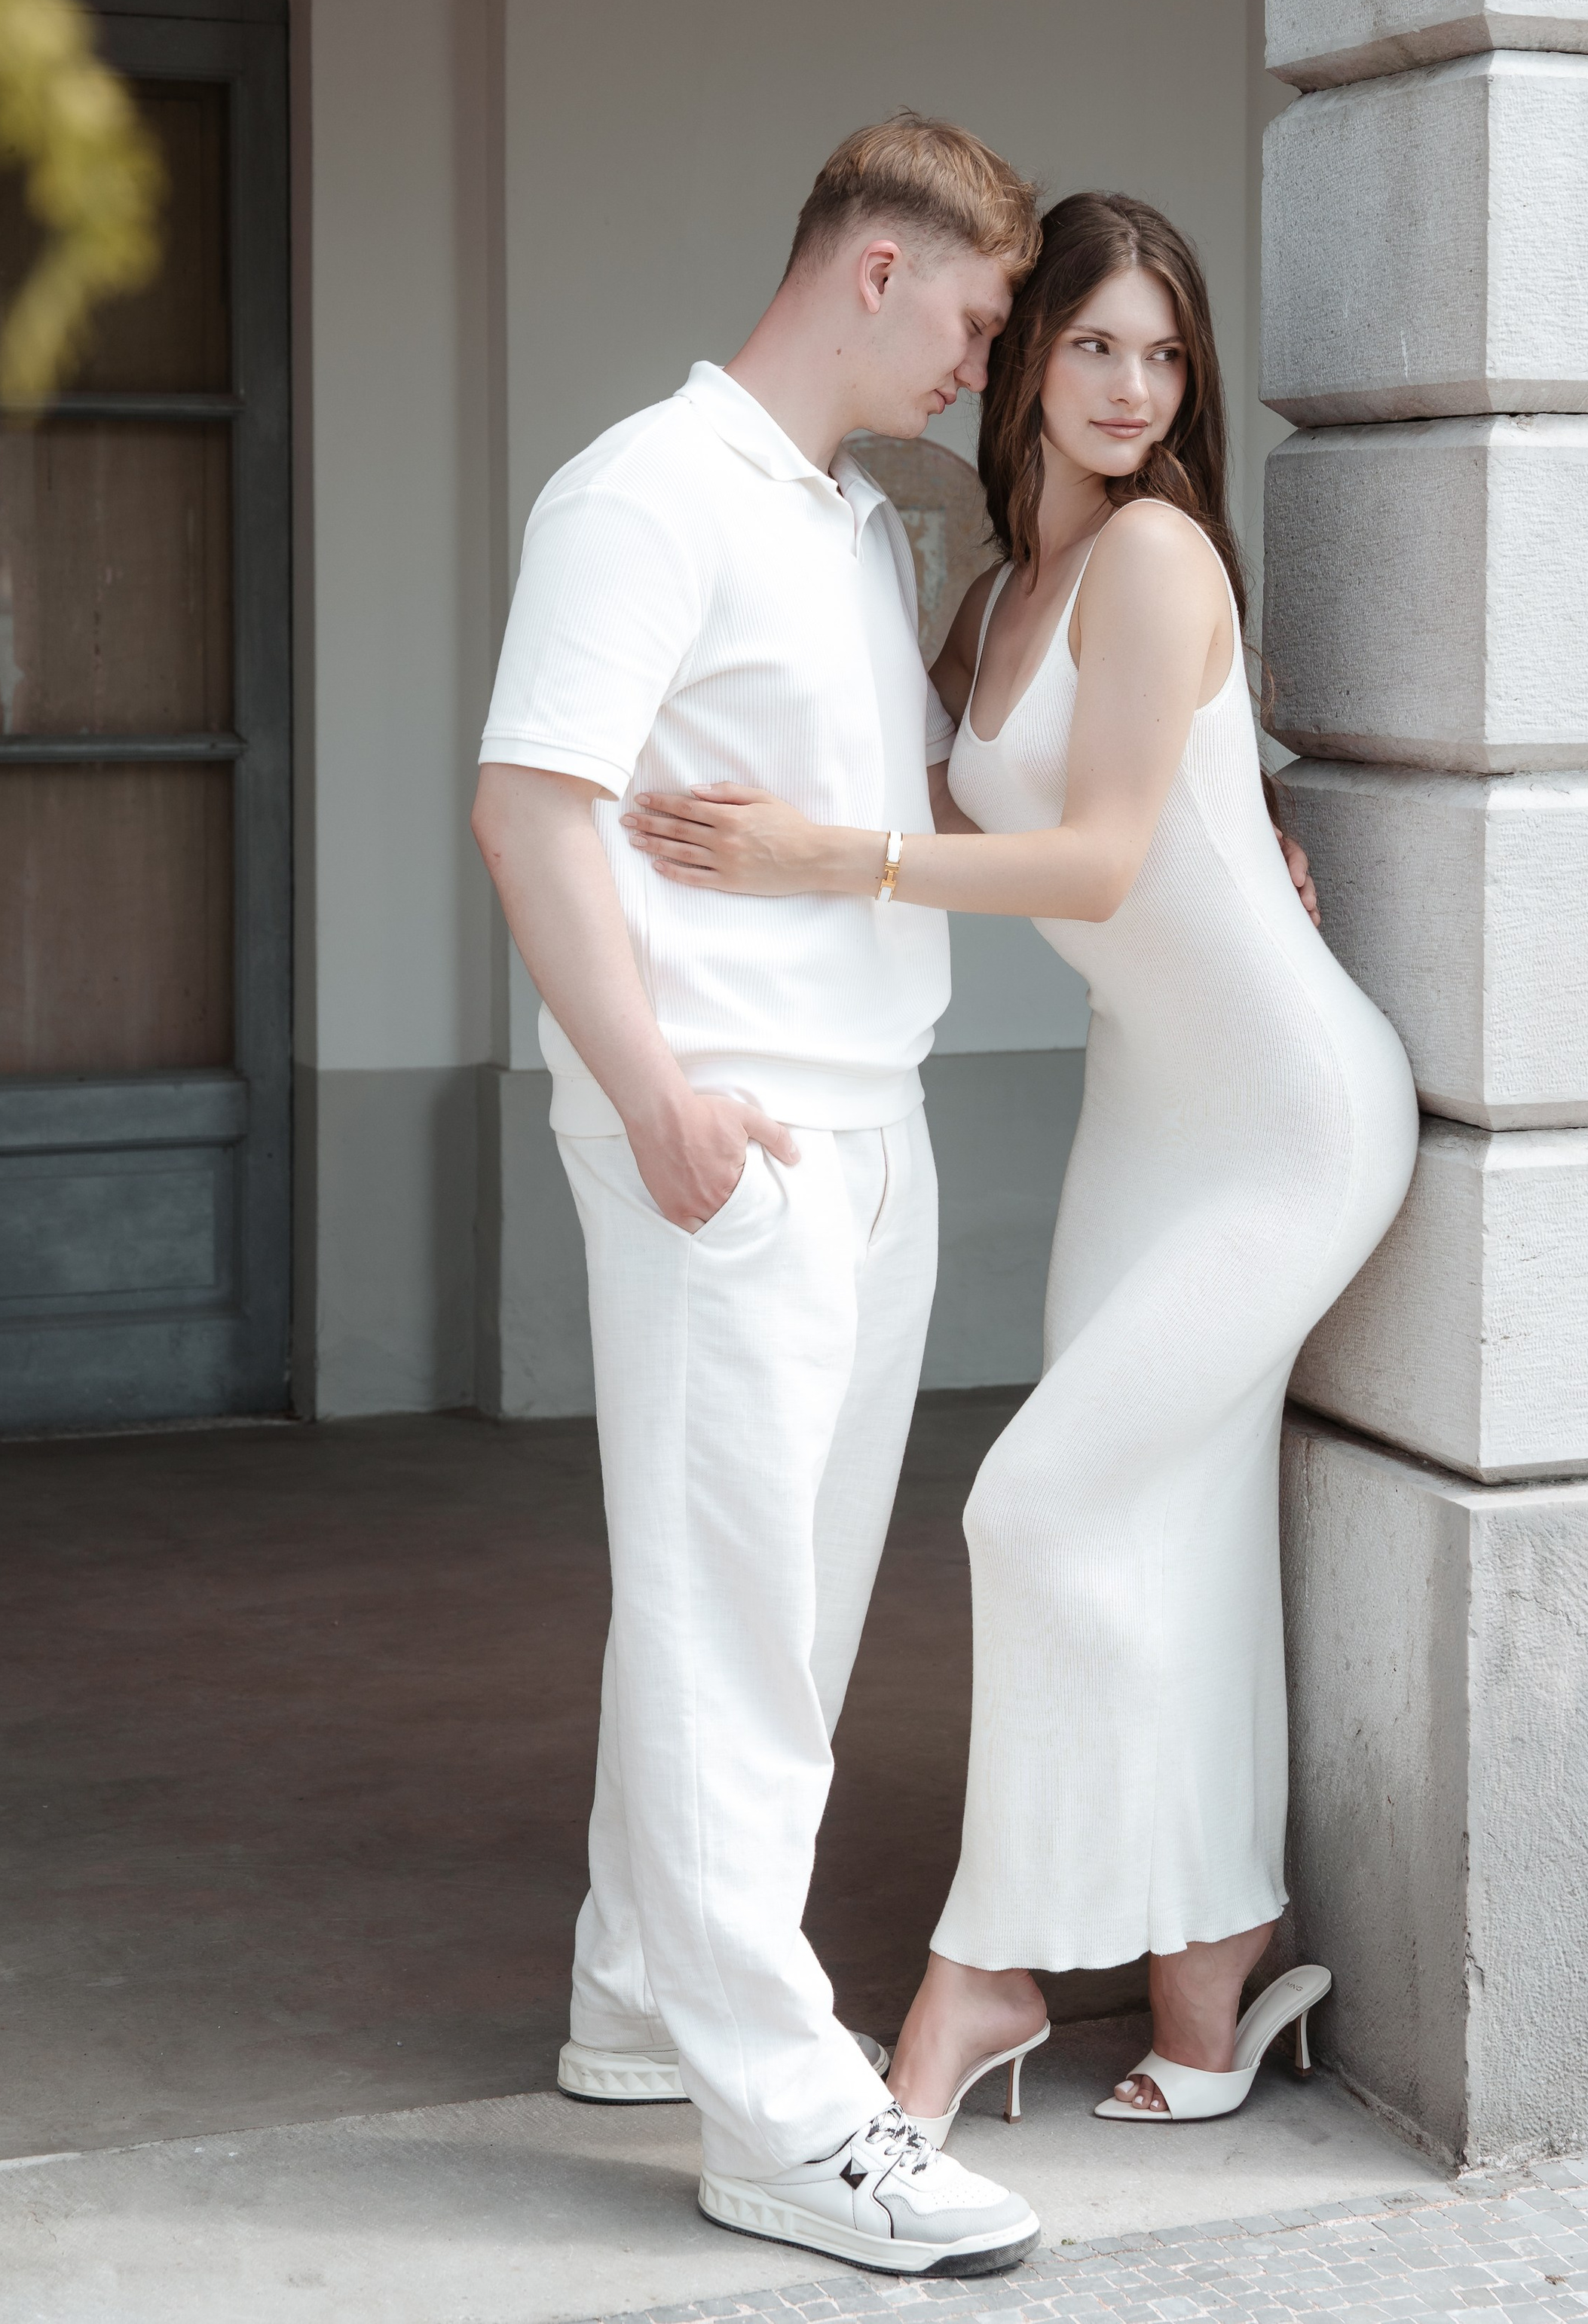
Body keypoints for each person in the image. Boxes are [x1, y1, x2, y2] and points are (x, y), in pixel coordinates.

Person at [627, 190, 1420, 2132]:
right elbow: (933, 783)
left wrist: (842, 860)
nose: (1136, 388)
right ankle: (1209, 1976)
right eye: (1093, 346)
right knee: (1169, 1532)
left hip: (1293, 1121)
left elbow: (1101, 856)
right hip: (1144, 1108)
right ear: (1026, 360)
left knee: (1035, 1504)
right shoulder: (987, 601)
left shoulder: (1156, 558)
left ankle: (984, 1976)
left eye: (1166, 355)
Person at [472, 115, 1048, 2275]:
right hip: (727, 1133)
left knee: (775, 1612)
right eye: (977, 326)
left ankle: (641, 1993)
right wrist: (660, 1109)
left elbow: (888, 809)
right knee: (736, 1619)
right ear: (873, 272)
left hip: (867, 1112)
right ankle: (783, 2111)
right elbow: (534, 814)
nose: (978, 379)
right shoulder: (645, 492)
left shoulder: (854, 527)